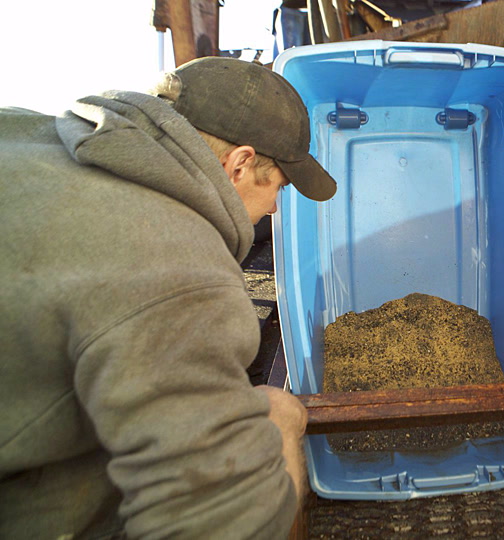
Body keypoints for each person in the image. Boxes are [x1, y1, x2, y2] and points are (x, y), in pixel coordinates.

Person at [0, 57, 336, 538]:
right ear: (239, 164)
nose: (275, 207)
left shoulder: (17, 132)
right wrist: (276, 429)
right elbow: (222, 524)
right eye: (279, 187)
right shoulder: (183, 270)